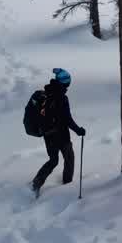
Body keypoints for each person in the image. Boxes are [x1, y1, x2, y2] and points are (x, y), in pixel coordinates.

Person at [31, 68, 87, 197]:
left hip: (47, 134)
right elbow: (67, 119)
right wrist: (79, 130)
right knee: (69, 158)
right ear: (66, 83)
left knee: (53, 160)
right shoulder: (62, 97)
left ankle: (36, 183)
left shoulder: (46, 92)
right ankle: (67, 185)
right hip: (61, 135)